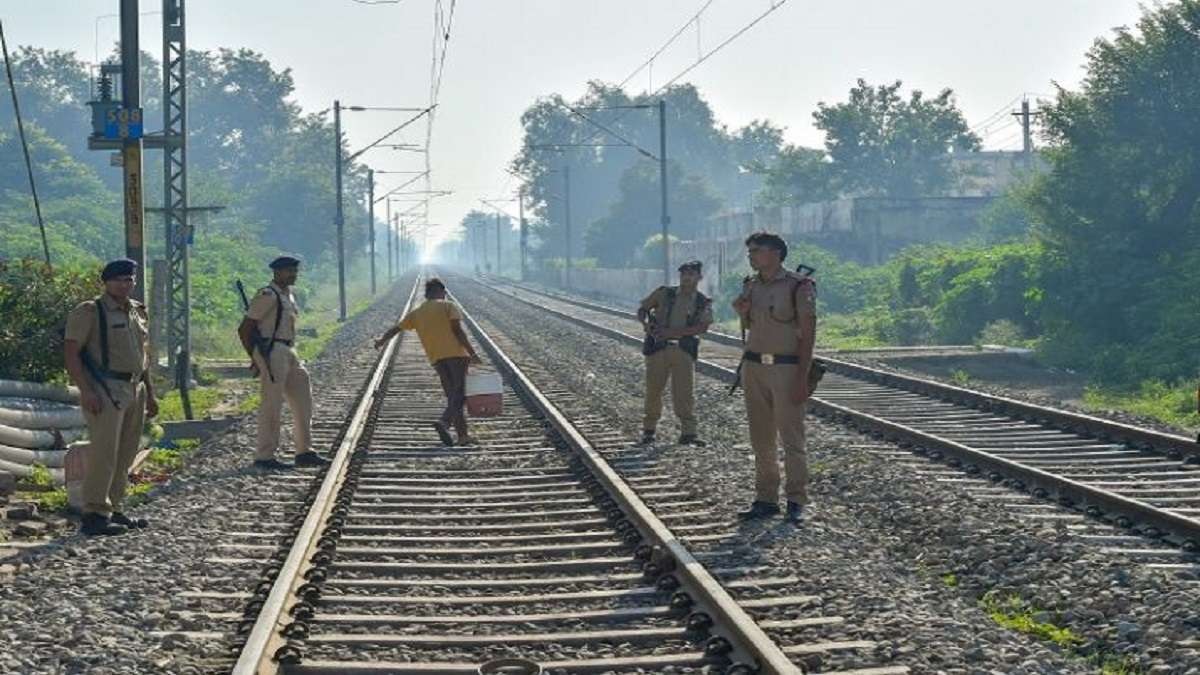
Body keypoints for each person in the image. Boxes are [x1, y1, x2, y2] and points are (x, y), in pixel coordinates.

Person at [63, 258, 158, 536]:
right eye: (118, 279)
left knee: (126, 451)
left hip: (134, 387)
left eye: (129, 279)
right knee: (104, 452)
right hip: (105, 387)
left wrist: (150, 393)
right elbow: (71, 353)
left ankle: (113, 507)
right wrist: (87, 390)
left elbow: (144, 357)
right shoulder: (91, 311)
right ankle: (94, 513)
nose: (124, 284)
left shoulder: (137, 311)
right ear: (106, 282)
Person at [731, 232, 817, 523]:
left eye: (757, 250)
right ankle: (766, 498)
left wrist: (802, 377)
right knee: (761, 439)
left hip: (786, 368)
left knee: (792, 438)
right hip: (754, 368)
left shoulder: (798, 286)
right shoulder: (750, 286)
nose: (751, 255)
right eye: (750, 251)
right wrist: (742, 312)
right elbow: (752, 326)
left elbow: (808, 332)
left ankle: (796, 500)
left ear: (776, 253)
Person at [238, 256, 329, 470]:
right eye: (289, 271)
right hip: (273, 351)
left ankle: (304, 451)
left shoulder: (288, 295)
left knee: (303, 400)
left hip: (289, 350)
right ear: (277, 273)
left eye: (295, 271)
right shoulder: (267, 295)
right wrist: (256, 357)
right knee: (272, 404)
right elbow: (245, 329)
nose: (293, 275)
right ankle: (265, 456)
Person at [375, 278, 482, 446]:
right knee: (460, 393)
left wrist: (381, 340)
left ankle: (462, 436)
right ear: (440, 291)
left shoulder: (417, 313)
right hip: (456, 355)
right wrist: (472, 352)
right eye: (444, 292)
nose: (445, 295)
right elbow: (457, 330)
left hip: (436, 358)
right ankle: (445, 422)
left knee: (453, 396)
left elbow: (397, 328)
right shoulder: (448, 306)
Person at [636, 260, 713, 446]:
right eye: (684, 273)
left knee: (684, 393)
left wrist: (675, 333)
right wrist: (646, 324)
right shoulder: (664, 293)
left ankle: (688, 433)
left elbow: (703, 326)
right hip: (658, 349)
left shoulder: (702, 301)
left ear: (699, 277)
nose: (686, 277)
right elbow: (643, 309)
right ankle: (649, 429)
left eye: (691, 274)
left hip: (683, 350)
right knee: (653, 390)